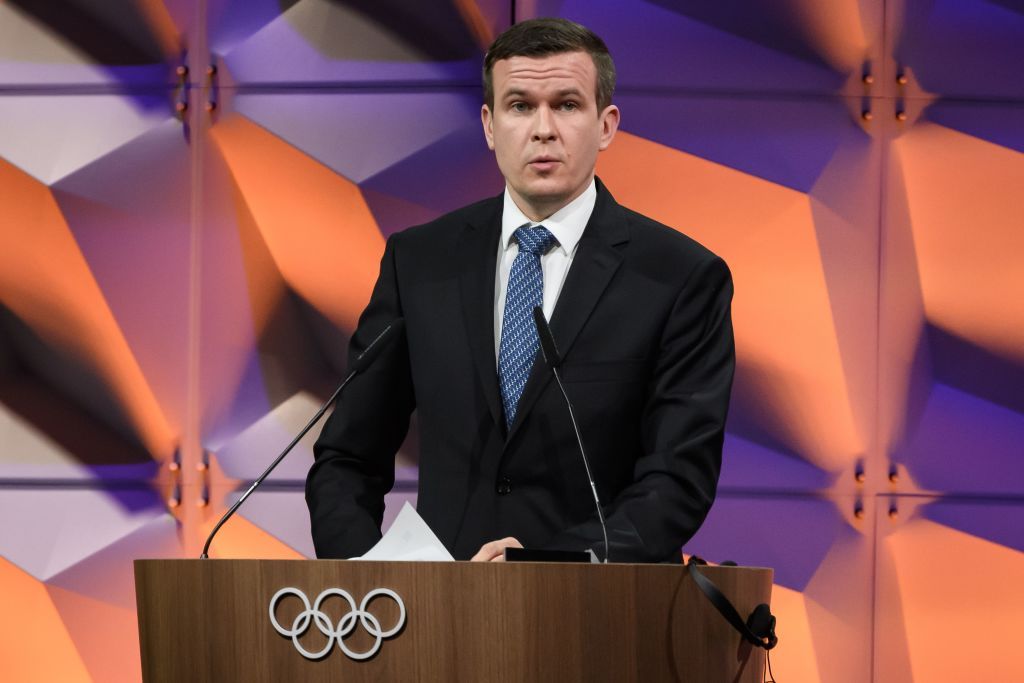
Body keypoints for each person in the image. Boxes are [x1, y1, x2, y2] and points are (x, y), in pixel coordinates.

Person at [306, 18, 734, 563]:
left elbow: (677, 482)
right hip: (434, 623)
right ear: (489, 125)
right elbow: (347, 457)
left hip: (596, 618)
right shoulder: (419, 262)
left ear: (606, 125)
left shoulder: (679, 277)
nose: (543, 128)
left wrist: (545, 567)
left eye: (567, 104)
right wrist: (365, 582)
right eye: (520, 106)